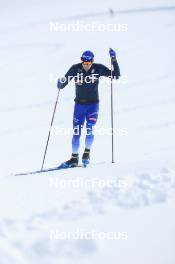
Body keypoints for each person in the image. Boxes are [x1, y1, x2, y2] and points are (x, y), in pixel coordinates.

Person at [57, 48, 120, 168]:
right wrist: (60, 83)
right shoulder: (75, 68)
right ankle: (74, 158)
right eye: (83, 62)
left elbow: (116, 76)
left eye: (88, 63)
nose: (85, 65)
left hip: (93, 105)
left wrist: (114, 60)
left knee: (90, 128)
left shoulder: (99, 68)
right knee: (76, 133)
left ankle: (86, 153)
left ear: (92, 61)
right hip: (79, 105)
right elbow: (64, 81)